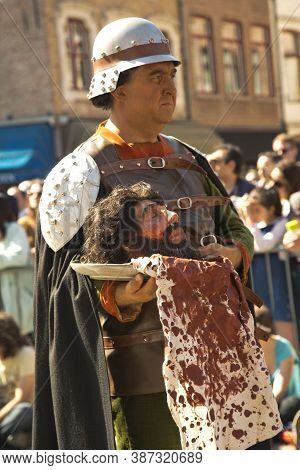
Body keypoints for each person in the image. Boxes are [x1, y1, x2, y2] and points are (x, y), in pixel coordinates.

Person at [34, 17, 255, 450]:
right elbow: (60, 286)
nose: (170, 87)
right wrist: (118, 297)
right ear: (118, 87)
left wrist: (234, 255)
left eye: (171, 75)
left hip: (217, 360)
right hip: (141, 375)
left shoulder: (191, 159)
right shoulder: (80, 172)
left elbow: (236, 229)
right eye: (156, 76)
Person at [78, 182, 281, 450]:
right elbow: (89, 296)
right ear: (127, 242)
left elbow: (238, 233)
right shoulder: (116, 279)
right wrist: (125, 296)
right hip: (148, 391)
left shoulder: (206, 266)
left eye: (166, 209)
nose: (173, 216)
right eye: (153, 214)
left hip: (222, 393)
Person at [255, 307, 300, 441]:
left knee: (286, 409)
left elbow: (279, 390)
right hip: (265, 403)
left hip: (284, 400)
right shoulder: (250, 350)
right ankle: (285, 434)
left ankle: (285, 433)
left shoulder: (283, 347)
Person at [0, 312, 34, 449]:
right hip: (5, 412)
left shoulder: (26, 354)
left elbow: (22, 399)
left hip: (24, 412)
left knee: (24, 410)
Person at [0, 194, 33, 335]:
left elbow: (18, 256)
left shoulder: (14, 229)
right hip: (5, 293)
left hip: (20, 293)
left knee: (24, 338)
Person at [18, 180, 43, 253]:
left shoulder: (55, 220)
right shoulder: (23, 222)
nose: (35, 197)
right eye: (31, 193)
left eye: (39, 194)